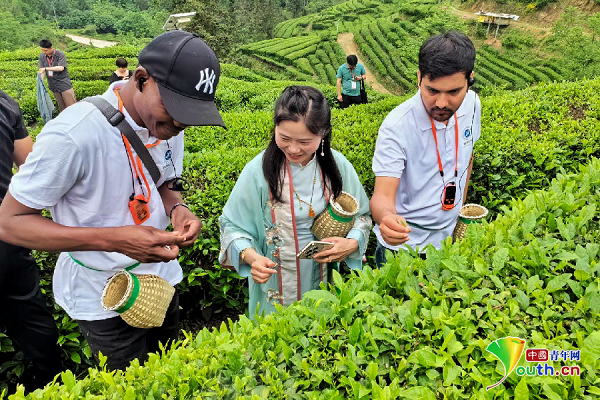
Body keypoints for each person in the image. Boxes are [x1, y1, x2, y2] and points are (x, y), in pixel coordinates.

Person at [0, 31, 226, 371]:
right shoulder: (73, 134)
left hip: (161, 278)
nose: (180, 123)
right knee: (131, 382)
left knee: (172, 371)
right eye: (174, 108)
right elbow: (9, 223)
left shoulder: (167, 125)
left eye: (190, 113)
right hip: (102, 297)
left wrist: (177, 207)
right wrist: (114, 240)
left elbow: (165, 179)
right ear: (140, 79)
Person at [219, 85, 372, 318]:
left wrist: (351, 243)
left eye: (304, 141)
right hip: (273, 281)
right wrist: (252, 258)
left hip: (323, 275)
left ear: (323, 135)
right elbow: (231, 225)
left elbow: (362, 216)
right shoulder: (257, 172)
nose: (293, 148)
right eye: (285, 138)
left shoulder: (338, 167)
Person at [370, 31, 481, 267]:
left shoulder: (473, 104)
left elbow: (467, 156)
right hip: (404, 248)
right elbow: (382, 195)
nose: (441, 103)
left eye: (454, 92)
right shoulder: (396, 126)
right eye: (432, 90)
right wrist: (387, 218)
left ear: (470, 79)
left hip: (449, 239)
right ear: (419, 77)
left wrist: (459, 208)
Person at [0, 90, 62, 390]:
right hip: (6, 232)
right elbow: (30, 163)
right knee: (28, 312)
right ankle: (51, 383)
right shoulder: (4, 102)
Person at [38, 39, 77, 113]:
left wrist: (46, 68)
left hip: (64, 84)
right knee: (62, 108)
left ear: (51, 48)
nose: (44, 52)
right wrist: (41, 83)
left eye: (45, 50)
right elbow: (42, 71)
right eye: (42, 50)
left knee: (72, 106)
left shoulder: (60, 54)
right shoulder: (42, 56)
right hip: (53, 86)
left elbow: (61, 68)